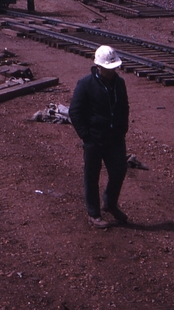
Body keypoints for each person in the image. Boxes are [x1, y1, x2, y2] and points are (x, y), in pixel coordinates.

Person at [69, 45, 130, 228]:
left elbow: (124, 108)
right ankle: (93, 213)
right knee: (92, 176)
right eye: (108, 69)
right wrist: (86, 136)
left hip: (115, 138)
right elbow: (75, 112)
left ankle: (110, 204)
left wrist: (122, 130)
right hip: (94, 139)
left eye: (114, 68)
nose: (112, 72)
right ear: (98, 67)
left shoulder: (119, 84)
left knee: (119, 170)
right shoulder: (85, 84)